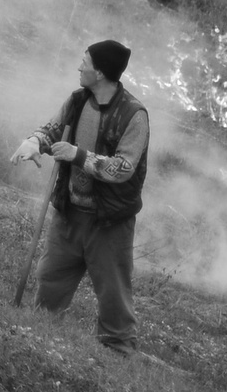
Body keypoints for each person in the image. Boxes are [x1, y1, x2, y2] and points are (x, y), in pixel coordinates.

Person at [10, 38, 150, 355]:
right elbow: (54, 129)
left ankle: (118, 352)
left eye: (84, 61)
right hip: (69, 213)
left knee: (114, 295)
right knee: (49, 280)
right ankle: (41, 339)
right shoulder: (77, 100)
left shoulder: (134, 115)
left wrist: (78, 156)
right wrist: (35, 141)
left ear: (99, 72)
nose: (79, 66)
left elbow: (123, 169)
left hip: (109, 223)